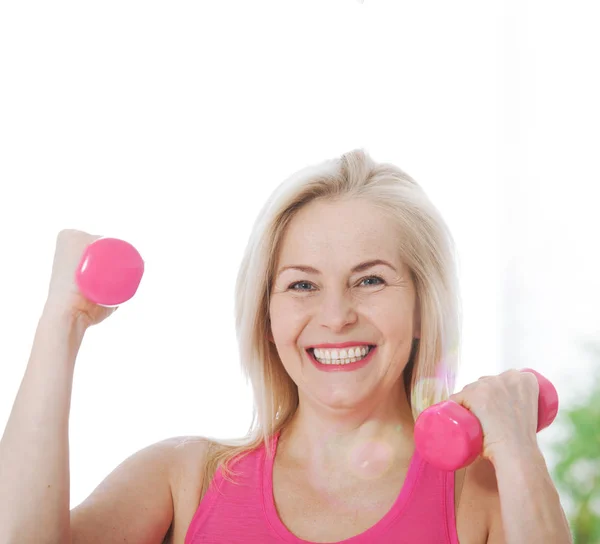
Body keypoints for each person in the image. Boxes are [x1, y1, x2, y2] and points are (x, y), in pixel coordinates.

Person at [0, 149, 572, 543]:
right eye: (302, 284)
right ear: (266, 316)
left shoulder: (480, 490)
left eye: (370, 279)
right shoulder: (183, 479)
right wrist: (63, 320)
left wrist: (516, 449)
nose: (335, 316)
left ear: (424, 306)